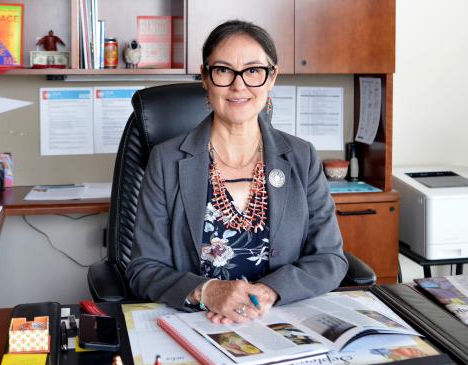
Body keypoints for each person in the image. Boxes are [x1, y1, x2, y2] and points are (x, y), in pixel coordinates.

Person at [126, 20, 347, 324]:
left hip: (281, 320)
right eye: (224, 70)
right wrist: (206, 291)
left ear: (272, 78)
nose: (239, 85)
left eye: (254, 71)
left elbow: (329, 258)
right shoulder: (166, 161)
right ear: (205, 77)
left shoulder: (301, 157)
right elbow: (144, 268)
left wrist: (271, 290)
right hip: (198, 322)